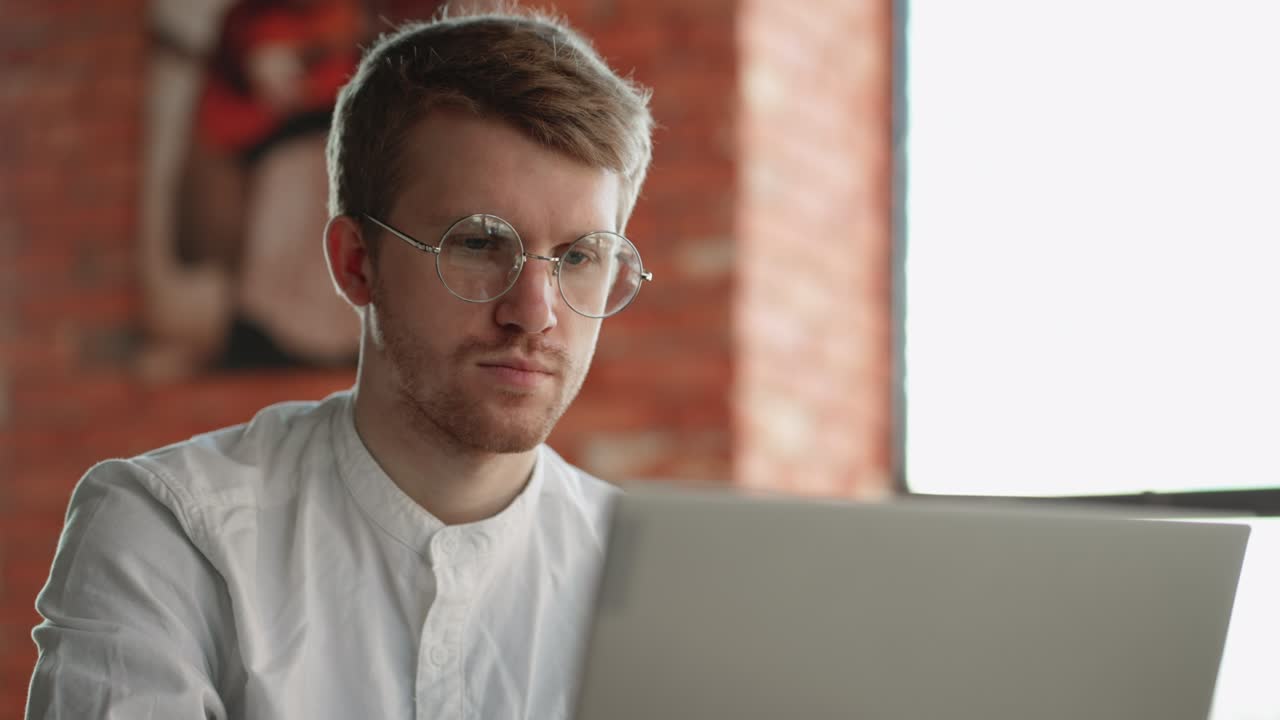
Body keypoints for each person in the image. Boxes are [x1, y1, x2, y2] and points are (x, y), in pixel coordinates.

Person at [26, 9, 654, 719]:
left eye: (579, 256)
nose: (534, 313)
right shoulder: (172, 531)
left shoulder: (656, 581)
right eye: (479, 243)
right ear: (357, 263)